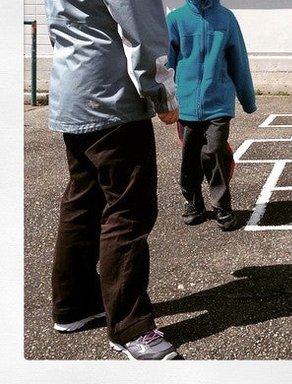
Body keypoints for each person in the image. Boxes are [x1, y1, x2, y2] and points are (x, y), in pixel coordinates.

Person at [46, 0, 180, 360]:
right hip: (111, 97)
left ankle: (73, 306)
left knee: (84, 200)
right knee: (129, 210)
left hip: (72, 90)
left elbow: (60, 25)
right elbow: (143, 26)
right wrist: (161, 91)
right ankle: (131, 327)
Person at [166, 0, 257, 229]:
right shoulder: (176, 19)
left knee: (213, 151)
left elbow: (239, 61)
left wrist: (248, 100)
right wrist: (163, 100)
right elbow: (166, 64)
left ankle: (221, 204)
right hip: (186, 104)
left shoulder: (226, 18)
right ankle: (193, 201)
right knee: (190, 156)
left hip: (218, 103)